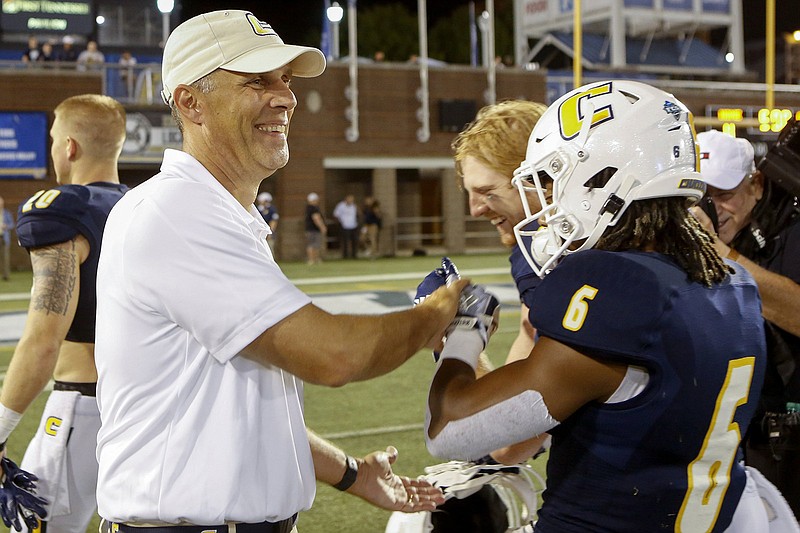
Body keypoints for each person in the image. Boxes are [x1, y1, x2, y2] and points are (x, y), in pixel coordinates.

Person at [93, 10, 467, 530]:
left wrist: (354, 474)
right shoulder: (176, 213)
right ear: (189, 102)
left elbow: (239, 405)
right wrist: (437, 313)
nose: (286, 97)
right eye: (256, 81)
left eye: (285, 79)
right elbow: (334, 355)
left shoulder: (221, 214)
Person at [422, 80, 769, 532]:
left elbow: (450, 428)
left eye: (553, 177)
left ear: (605, 176)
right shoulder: (734, 282)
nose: (548, 195)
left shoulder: (618, 293)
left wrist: (460, 333)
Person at [0, 94, 129, 532]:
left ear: (69, 146)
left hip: (82, 406)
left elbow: (43, 338)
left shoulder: (64, 210)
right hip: (140, 407)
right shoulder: (140, 207)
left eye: (54, 138)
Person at [693, 127, 800, 518]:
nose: (713, 208)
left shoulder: (791, 230)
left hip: (787, 439)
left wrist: (720, 253)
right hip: (731, 435)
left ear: (755, 185)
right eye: (701, 197)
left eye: (724, 195)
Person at [333, 193, 360, 259]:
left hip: (353, 225)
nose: (351, 201)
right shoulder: (341, 206)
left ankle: (354, 255)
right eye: (350, 199)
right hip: (344, 226)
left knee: (354, 241)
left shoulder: (354, 206)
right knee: (345, 241)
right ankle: (345, 255)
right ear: (346, 199)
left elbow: (358, 214)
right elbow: (336, 215)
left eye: (352, 200)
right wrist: (340, 223)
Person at [305, 191, 327, 265]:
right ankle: (314, 259)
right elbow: (316, 218)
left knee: (311, 244)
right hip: (314, 229)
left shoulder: (308, 208)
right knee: (315, 245)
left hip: (309, 229)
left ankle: (312, 260)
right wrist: (322, 227)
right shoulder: (314, 208)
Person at [0, 195, 13, 281]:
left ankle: (6, 275)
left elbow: (12, 224)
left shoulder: (7, 213)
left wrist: (6, 226)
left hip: (4, 237)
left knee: (5, 257)